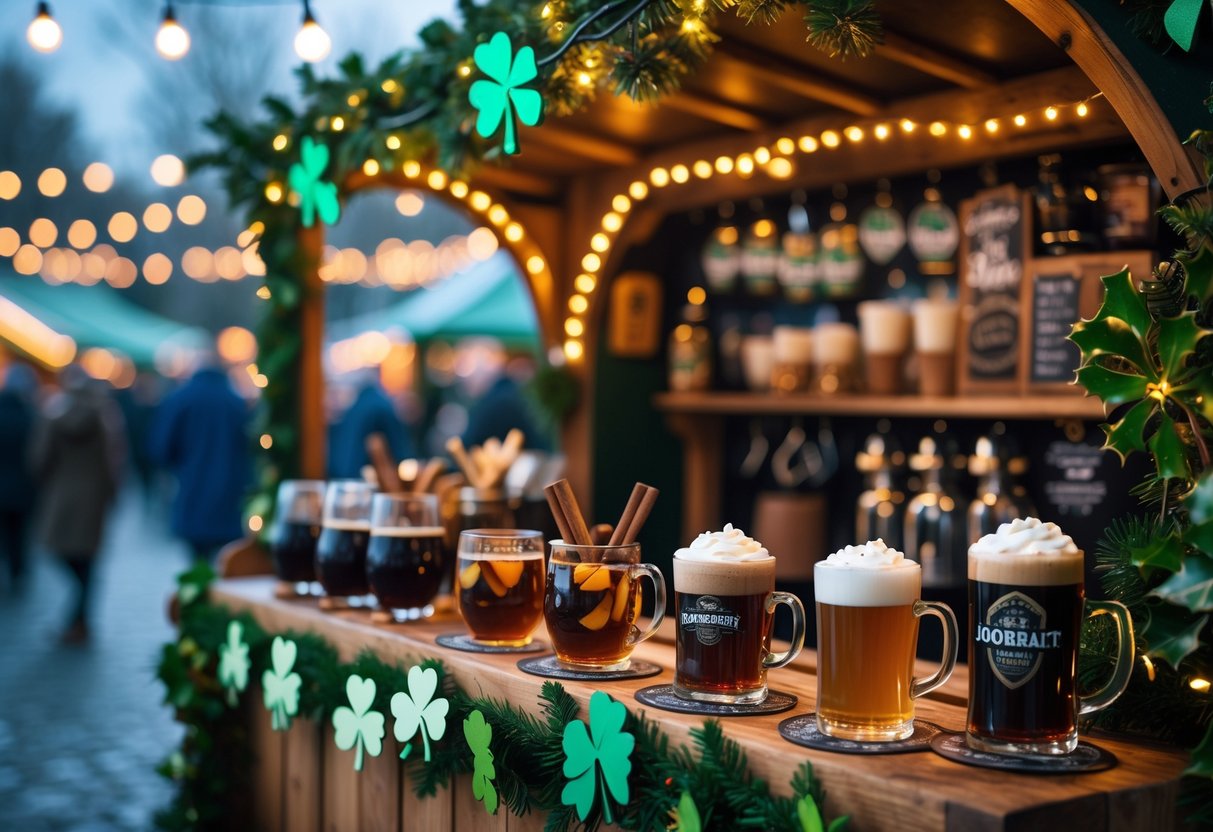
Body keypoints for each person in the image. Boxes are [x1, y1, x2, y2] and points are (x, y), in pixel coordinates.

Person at [31, 367, 125, 642]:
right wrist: (111, 493)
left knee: (60, 552)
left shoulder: (54, 415)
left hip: (61, 493)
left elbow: (39, 459)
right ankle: (81, 619)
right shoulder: (105, 417)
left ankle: (77, 620)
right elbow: (112, 461)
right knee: (89, 561)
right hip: (93, 496)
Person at [151, 356, 251, 562]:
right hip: (231, 499)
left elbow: (160, 449)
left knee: (197, 568)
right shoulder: (236, 402)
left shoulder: (179, 399)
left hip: (193, 494)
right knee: (228, 566)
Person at [328, 371, 414, 479]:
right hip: (362, 476)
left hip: (342, 474)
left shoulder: (355, 405)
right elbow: (399, 450)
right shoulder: (382, 405)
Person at [0, 363, 39, 591]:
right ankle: (18, 571)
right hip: (24, 486)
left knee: (4, 530)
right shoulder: (30, 415)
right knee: (20, 533)